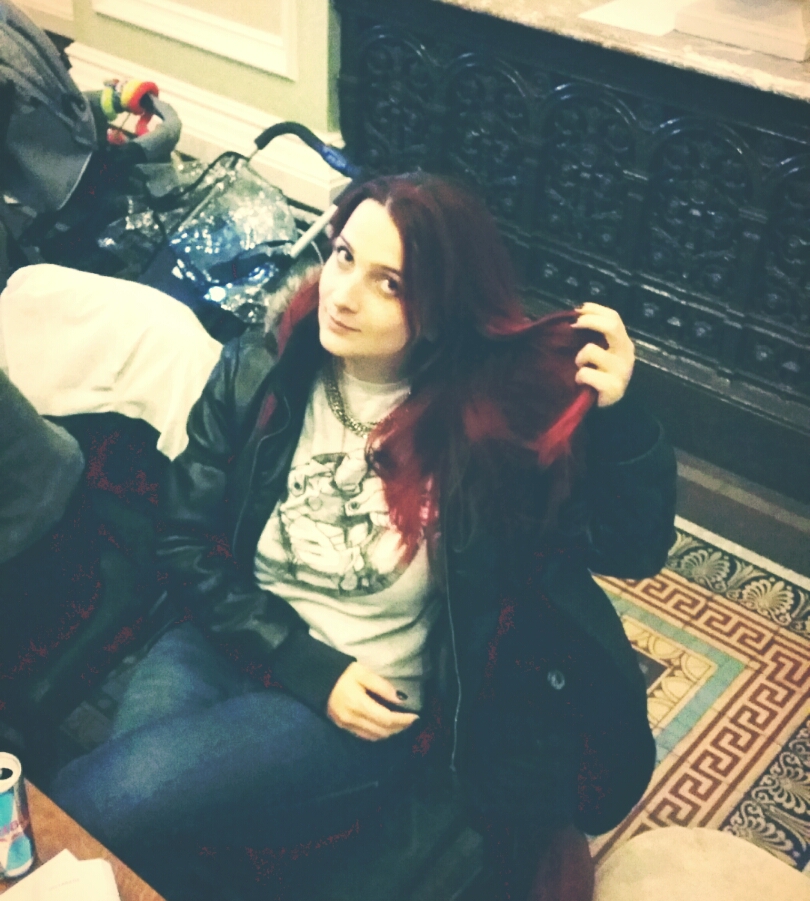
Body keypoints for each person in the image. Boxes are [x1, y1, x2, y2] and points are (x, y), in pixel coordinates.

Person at [51, 173, 676, 901]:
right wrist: (295, 657)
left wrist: (623, 420)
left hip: (357, 700)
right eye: (345, 256)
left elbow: (631, 547)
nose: (343, 294)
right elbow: (184, 541)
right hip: (225, 638)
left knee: (112, 799)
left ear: (439, 311)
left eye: (390, 284)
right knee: (134, 829)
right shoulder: (261, 370)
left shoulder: (482, 434)